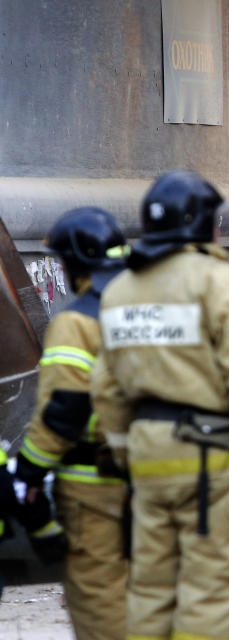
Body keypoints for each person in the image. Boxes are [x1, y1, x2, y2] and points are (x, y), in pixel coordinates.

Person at [91, 171, 229, 640]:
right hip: (213, 462)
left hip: (149, 464)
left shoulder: (120, 293)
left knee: (150, 590)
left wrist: (129, 455)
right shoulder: (222, 285)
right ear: (205, 225)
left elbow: (106, 391)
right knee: (211, 593)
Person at [15, 208, 129, 639]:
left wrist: (28, 470)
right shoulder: (164, 310)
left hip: (98, 487)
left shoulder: (77, 322)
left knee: (103, 614)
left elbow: (65, 411)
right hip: (175, 484)